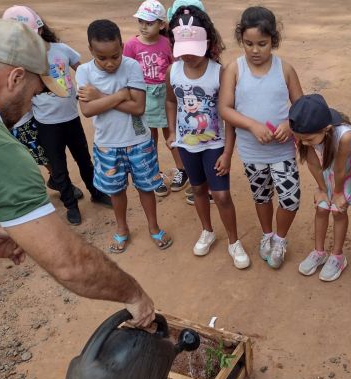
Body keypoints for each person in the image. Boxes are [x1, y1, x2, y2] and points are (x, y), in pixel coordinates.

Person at [0, 19, 155, 379]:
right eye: (34, 90)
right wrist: (133, 294)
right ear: (14, 77)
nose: (33, 103)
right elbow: (69, 262)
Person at [3, 5, 112, 226]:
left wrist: (88, 90)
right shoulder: (19, 61)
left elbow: (80, 68)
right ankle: (70, 204)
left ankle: (96, 192)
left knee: (84, 160)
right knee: (59, 168)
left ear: (41, 30)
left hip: (71, 119)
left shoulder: (60, 49)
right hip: (46, 125)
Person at [76, 19, 173, 253]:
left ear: (121, 46)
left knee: (146, 188)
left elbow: (138, 107)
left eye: (115, 56)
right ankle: (122, 229)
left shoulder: (132, 66)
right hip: (107, 144)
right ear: (91, 50)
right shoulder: (83, 71)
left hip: (139, 141)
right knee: (116, 191)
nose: (110, 63)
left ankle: (153, 227)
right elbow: (88, 111)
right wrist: (120, 96)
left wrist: (99, 96)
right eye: (102, 58)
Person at [219, 6, 303, 269]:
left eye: (262, 44)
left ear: (274, 41)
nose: (255, 50)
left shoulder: (285, 69)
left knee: (290, 199)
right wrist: (252, 125)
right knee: (262, 196)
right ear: (241, 40)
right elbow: (225, 108)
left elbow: (302, 108)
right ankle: (267, 235)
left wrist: (290, 124)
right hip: (252, 152)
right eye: (249, 44)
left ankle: (280, 238)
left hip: (282, 150)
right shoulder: (234, 69)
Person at [165, 6, 250, 268]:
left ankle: (234, 242)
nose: (188, 55)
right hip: (187, 145)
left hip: (214, 145)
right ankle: (207, 231)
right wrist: (171, 131)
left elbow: (229, 116)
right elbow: (170, 101)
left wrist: (226, 153)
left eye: (194, 47)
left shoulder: (219, 73)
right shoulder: (173, 72)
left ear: (208, 42)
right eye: (183, 48)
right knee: (198, 189)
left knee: (221, 195)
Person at [290, 94, 351, 281]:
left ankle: (338, 256)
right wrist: (322, 188)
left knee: (338, 210)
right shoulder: (303, 133)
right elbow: (313, 163)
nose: (304, 143)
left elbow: (339, 169)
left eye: (308, 139)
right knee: (321, 207)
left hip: (348, 166)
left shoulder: (344, 136)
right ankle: (319, 252)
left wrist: (338, 193)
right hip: (330, 165)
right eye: (301, 139)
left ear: (326, 130)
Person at [124, 0, 188, 197]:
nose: (144, 26)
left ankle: (182, 170)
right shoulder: (131, 45)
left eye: (149, 22)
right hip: (143, 95)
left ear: (161, 24)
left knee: (172, 132)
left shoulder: (167, 43)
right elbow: (126, 71)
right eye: (141, 21)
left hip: (165, 95)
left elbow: (176, 68)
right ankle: (154, 174)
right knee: (149, 138)